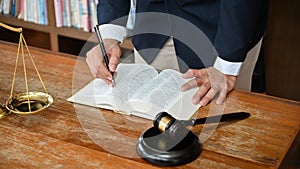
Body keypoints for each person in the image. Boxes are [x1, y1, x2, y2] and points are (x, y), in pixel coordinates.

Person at [86, 0, 269, 106]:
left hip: (223, 35)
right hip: (152, 31)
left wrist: (227, 63)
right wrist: (109, 33)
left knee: (222, 136)